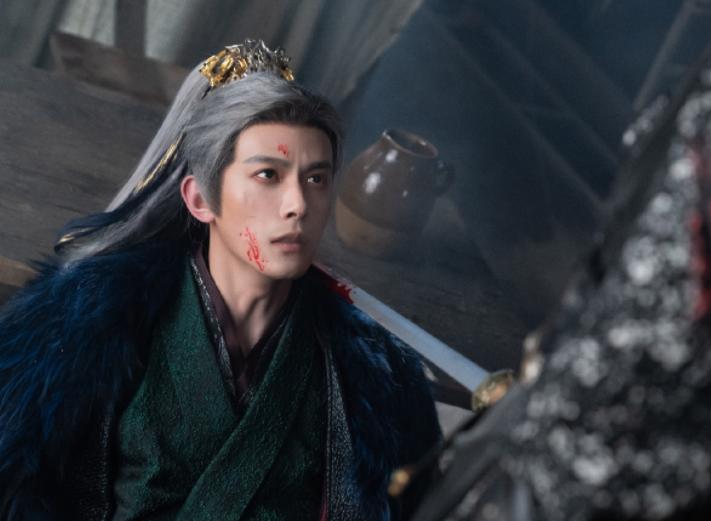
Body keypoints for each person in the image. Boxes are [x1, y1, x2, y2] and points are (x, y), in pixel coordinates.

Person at [0, 39, 441, 520]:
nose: (298, 205)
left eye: (315, 179)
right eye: (268, 175)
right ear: (200, 199)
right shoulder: (86, 321)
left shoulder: (380, 377)